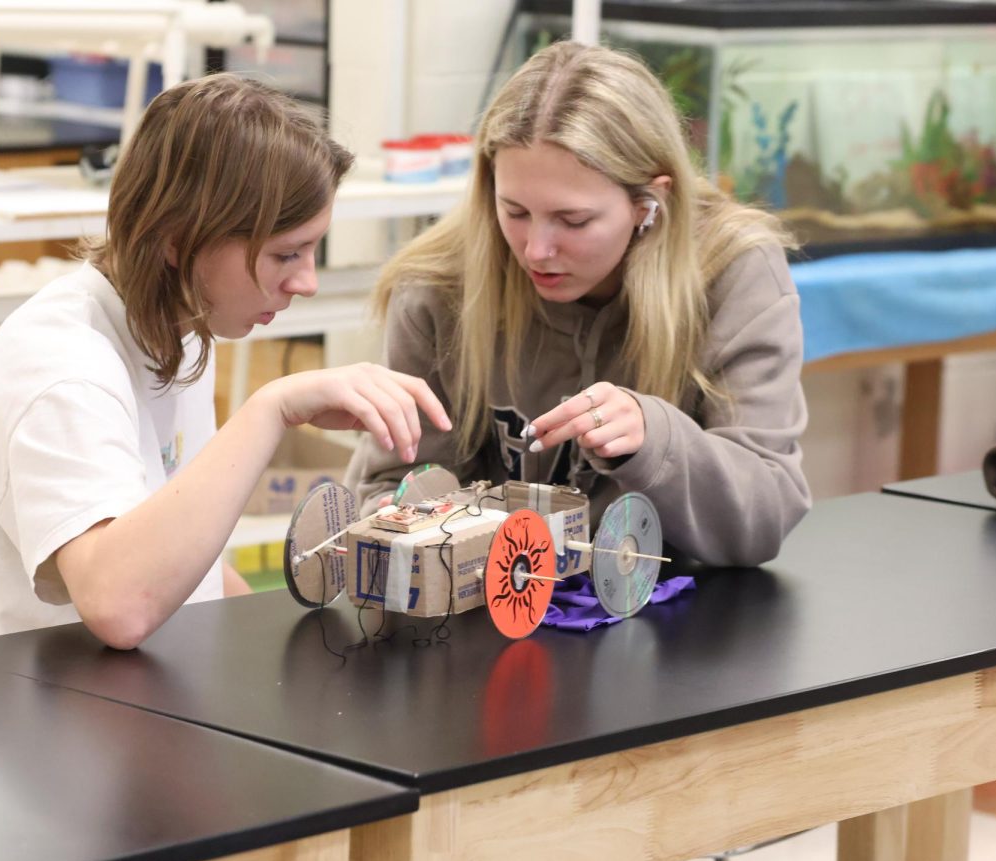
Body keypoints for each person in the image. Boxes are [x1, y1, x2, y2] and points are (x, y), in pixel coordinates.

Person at [0, 74, 450, 650]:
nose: (307, 282)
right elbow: (120, 604)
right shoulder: (63, 368)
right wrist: (272, 409)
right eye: (285, 253)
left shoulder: (182, 329)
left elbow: (177, 562)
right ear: (176, 238)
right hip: (7, 722)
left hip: (91, 700)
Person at [346, 41, 810, 566]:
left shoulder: (734, 269)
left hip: (679, 624)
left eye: (574, 221)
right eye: (514, 211)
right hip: (490, 620)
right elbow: (392, 483)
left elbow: (763, 520)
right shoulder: (436, 284)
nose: (536, 250)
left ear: (648, 203)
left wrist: (653, 437)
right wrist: (395, 513)